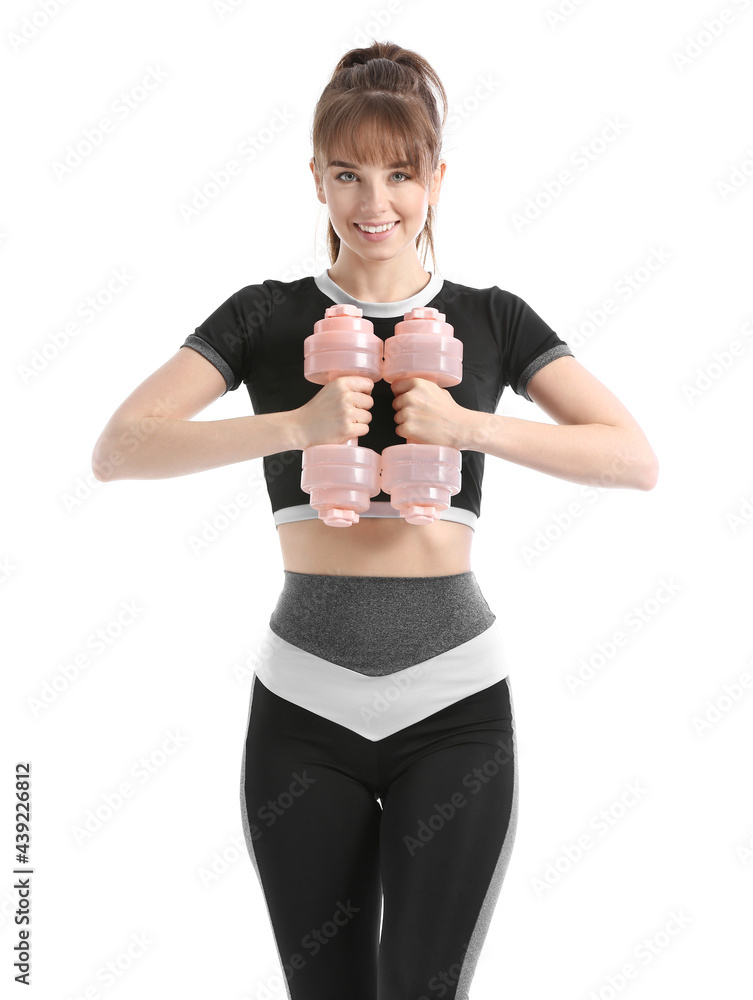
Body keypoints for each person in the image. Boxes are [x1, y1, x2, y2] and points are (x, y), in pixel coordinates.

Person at [92, 39, 658, 1000]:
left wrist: (472, 424)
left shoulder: (491, 318)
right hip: (303, 705)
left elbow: (632, 457)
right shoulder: (263, 317)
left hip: (455, 705)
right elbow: (120, 448)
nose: (374, 201)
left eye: (400, 172)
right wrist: (293, 424)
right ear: (314, 177)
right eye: (348, 173)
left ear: (438, 177)